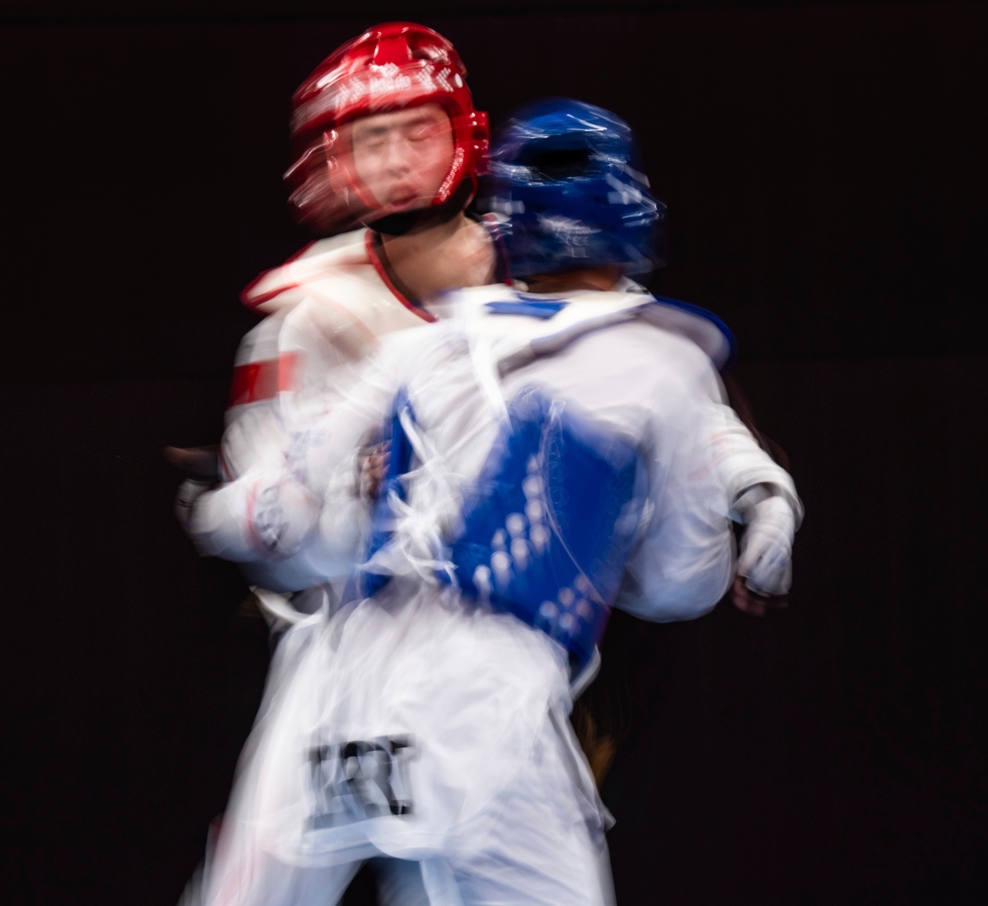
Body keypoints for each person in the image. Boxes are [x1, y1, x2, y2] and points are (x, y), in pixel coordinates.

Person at [185, 99, 802, 906]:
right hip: (479, 708)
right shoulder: (661, 359)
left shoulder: (422, 341)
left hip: (327, 702)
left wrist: (211, 510)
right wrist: (734, 524)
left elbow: (273, 517)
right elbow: (677, 586)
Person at [172, 22, 495, 607]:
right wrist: (358, 502)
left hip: (551, 649)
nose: (397, 162)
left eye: (419, 132)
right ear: (340, 162)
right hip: (370, 646)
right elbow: (270, 560)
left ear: (461, 136)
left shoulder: (540, 278)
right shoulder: (308, 315)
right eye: (372, 141)